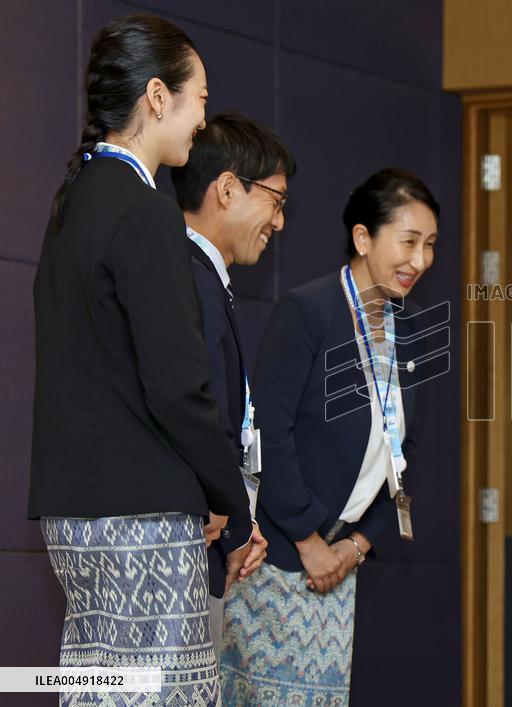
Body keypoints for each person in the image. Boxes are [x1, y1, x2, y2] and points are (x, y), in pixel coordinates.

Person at [28, 14, 253, 706]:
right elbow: (178, 387)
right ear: (158, 98)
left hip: (73, 515)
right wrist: (233, 503)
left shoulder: (72, 205)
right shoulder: (146, 210)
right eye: (200, 100)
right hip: (143, 522)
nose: (202, 122)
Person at [219, 168, 441, 705]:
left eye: (430, 245)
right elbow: (267, 431)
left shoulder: (411, 332)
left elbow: (405, 454)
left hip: (340, 564)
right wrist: (310, 542)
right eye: (408, 241)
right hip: (277, 557)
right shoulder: (309, 310)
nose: (420, 260)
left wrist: (357, 546)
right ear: (363, 238)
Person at [170, 109, 298, 657]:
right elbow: (193, 412)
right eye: (277, 201)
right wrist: (235, 526)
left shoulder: (201, 278)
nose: (280, 222)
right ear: (226, 189)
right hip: (186, 539)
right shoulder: (186, 280)